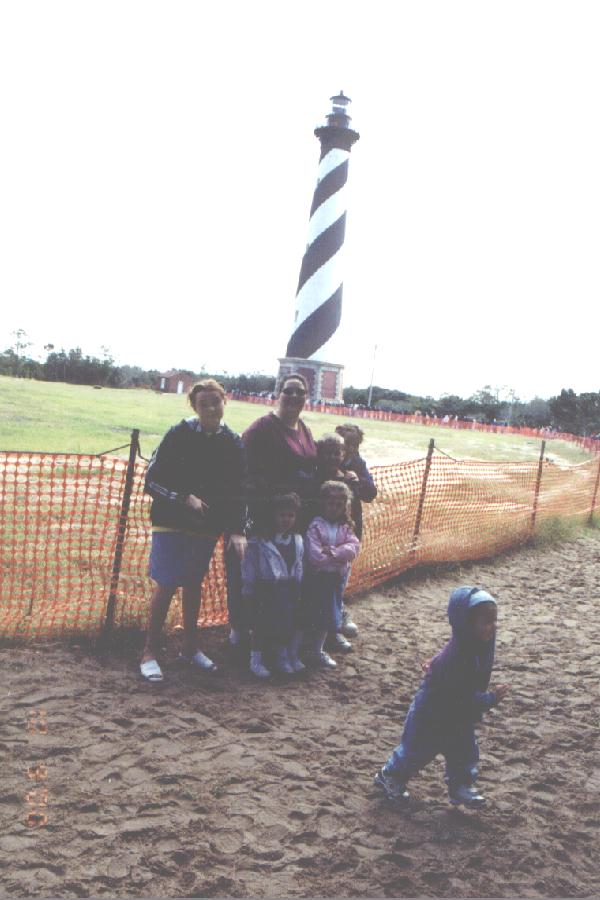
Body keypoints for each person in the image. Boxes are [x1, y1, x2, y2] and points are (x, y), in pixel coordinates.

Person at [140, 379, 247, 683]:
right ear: (194, 407)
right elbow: (152, 480)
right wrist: (183, 497)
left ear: (225, 401)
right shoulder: (179, 434)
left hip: (206, 526)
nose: (212, 408)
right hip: (171, 520)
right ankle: (149, 652)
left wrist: (238, 529)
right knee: (166, 583)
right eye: (204, 403)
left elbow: (240, 490)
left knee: (193, 583)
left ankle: (190, 647)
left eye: (216, 401)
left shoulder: (233, 441)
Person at [373, 587, 510, 807]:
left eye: (494, 620)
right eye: (485, 622)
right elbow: (461, 699)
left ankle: (461, 786)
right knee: (417, 750)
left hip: (456, 715)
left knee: (464, 750)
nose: (492, 627)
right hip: (433, 714)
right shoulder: (457, 659)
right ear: (465, 624)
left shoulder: (473, 645)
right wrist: (490, 699)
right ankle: (390, 776)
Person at [242, 373, 318, 544]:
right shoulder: (261, 428)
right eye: (288, 391)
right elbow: (243, 475)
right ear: (278, 395)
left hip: (298, 522)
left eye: (300, 392)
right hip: (268, 524)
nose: (294, 396)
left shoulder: (304, 429)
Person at [241, 493, 305, 679]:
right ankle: (256, 661)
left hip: (288, 589)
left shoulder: (297, 540)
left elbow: (298, 565)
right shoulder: (260, 542)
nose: (286, 519)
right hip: (265, 589)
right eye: (282, 515)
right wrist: (248, 588)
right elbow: (249, 566)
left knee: (286, 625)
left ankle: (282, 657)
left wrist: (298, 585)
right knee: (260, 626)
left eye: (290, 515)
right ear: (273, 516)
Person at [303, 481, 360, 669]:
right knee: (312, 615)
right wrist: (338, 556)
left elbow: (353, 549)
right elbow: (315, 556)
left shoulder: (346, 527)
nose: (334, 509)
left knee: (328, 616)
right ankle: (307, 650)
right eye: (330, 504)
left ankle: (317, 650)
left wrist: (333, 552)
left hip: (335, 580)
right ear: (322, 503)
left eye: (339, 505)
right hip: (318, 579)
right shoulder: (315, 526)